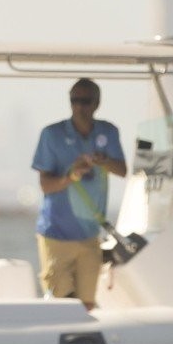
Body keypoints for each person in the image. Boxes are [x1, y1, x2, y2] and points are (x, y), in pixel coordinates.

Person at [31, 78, 126, 309]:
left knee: (87, 304)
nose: (79, 106)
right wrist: (71, 176)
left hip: (89, 234)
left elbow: (122, 170)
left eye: (85, 101)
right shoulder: (52, 134)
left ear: (97, 103)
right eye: (75, 101)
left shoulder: (108, 132)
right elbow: (45, 185)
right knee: (61, 301)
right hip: (56, 233)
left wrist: (102, 161)